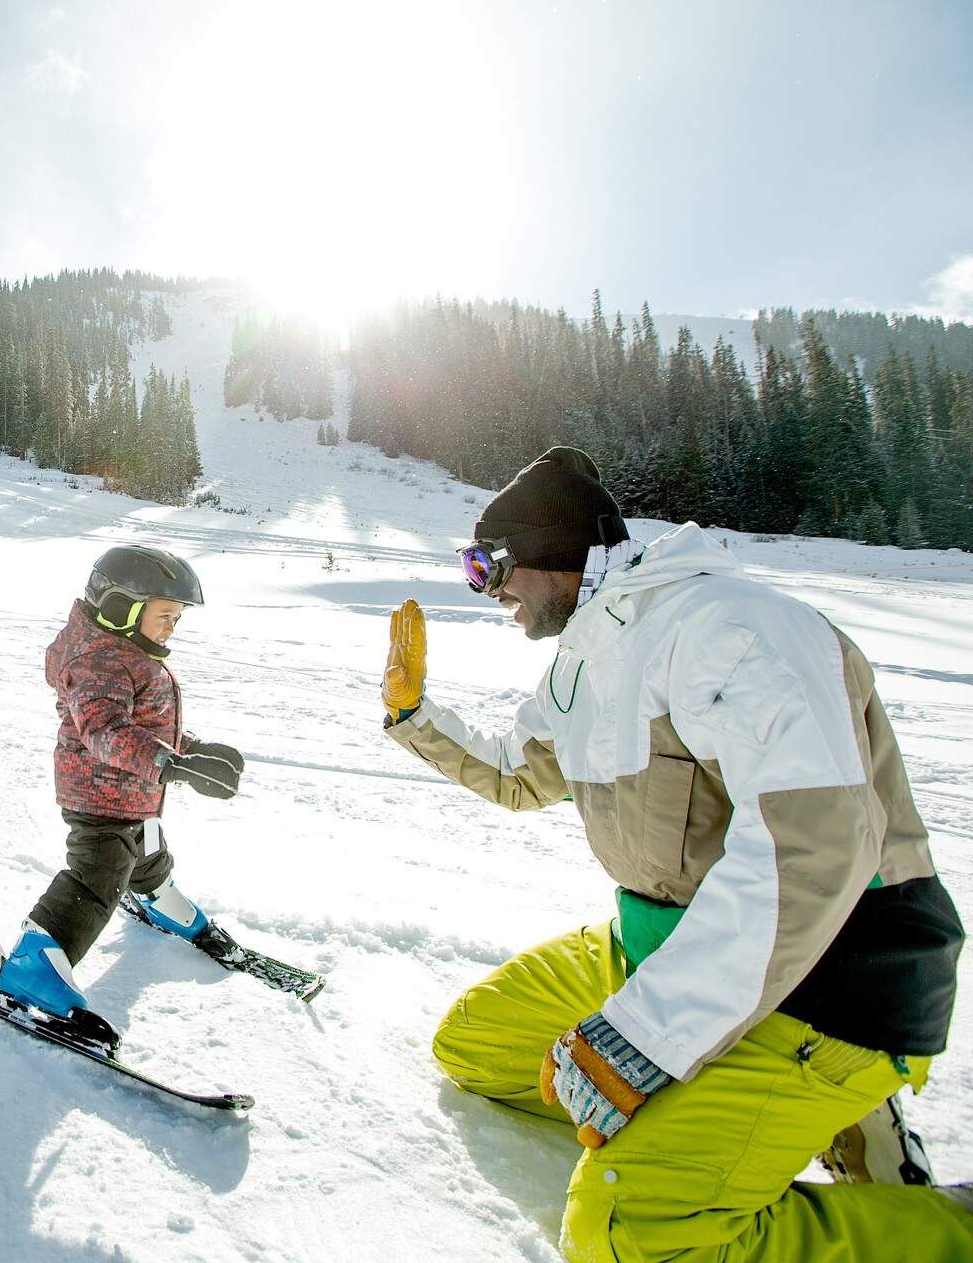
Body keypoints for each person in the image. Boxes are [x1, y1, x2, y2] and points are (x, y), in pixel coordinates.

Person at [381, 446, 970, 1261]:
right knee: (475, 1046)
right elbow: (519, 776)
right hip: (664, 945)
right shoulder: (583, 660)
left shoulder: (730, 629)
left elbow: (814, 854)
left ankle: (941, 1221)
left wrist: (645, 1039)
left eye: (491, 567)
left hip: (828, 979)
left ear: (552, 553)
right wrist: (415, 717)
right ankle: (726, 1118)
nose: (489, 592)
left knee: (629, 1234)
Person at [0, 545, 245, 1022]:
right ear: (120, 608)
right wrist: (168, 764)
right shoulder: (99, 662)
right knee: (100, 873)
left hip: (134, 793)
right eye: (165, 615)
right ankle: (31, 966)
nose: (173, 627)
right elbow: (105, 729)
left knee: (146, 850)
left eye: (177, 617)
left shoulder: (127, 653)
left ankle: (157, 898)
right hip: (97, 795)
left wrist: (190, 752)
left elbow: (144, 723)